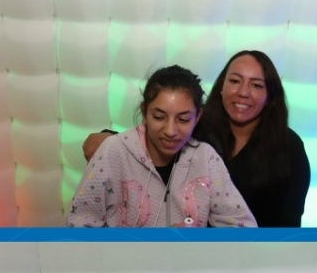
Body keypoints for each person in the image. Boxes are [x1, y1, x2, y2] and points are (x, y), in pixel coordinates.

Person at [82, 50, 310, 228]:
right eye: (235, 81)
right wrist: (110, 140)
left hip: (241, 254)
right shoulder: (198, 127)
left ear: (270, 95)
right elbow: (150, 137)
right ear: (221, 86)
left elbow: (288, 223)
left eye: (256, 85)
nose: (243, 92)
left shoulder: (288, 146)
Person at [66, 64, 257, 229]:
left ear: (198, 117)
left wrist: (194, 242)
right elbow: (78, 226)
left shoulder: (206, 158)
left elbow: (242, 226)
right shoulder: (113, 152)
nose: (170, 131)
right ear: (144, 112)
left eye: (183, 119)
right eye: (159, 117)